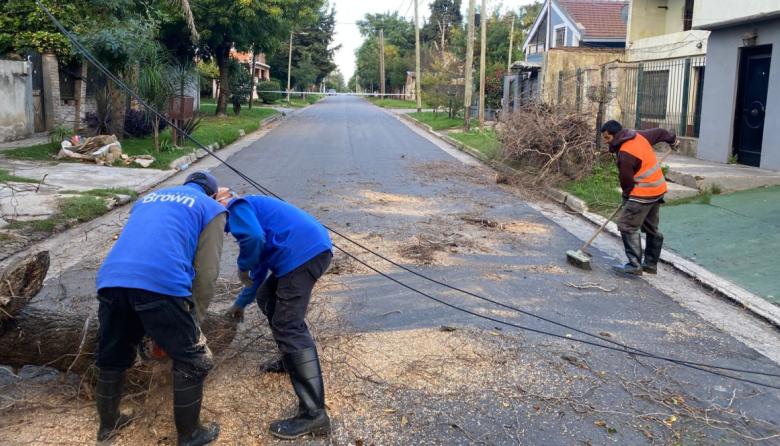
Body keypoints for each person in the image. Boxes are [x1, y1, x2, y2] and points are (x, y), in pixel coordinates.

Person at [94, 171, 226, 446]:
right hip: (160, 282)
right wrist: (194, 320)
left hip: (111, 279)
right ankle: (190, 436)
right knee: (194, 359)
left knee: (112, 354)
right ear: (212, 194)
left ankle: (108, 425)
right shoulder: (211, 207)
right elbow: (207, 272)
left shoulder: (148, 198)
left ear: (186, 185)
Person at [217, 189, 333, 440]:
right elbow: (258, 273)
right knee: (267, 296)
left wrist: (242, 265)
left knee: (288, 324)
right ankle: (289, 358)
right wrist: (239, 304)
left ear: (220, 202)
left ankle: (314, 415)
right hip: (307, 250)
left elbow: (253, 239)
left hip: (303, 254)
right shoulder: (249, 213)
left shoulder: (236, 206)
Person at [600, 120, 678, 276]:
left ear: (616, 135)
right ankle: (650, 264)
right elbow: (660, 133)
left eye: (607, 138)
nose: (606, 142)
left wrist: (627, 195)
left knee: (626, 225)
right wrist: (673, 140)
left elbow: (626, 180)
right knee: (650, 227)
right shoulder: (638, 136)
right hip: (658, 189)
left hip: (643, 192)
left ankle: (634, 264)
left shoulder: (625, 153)